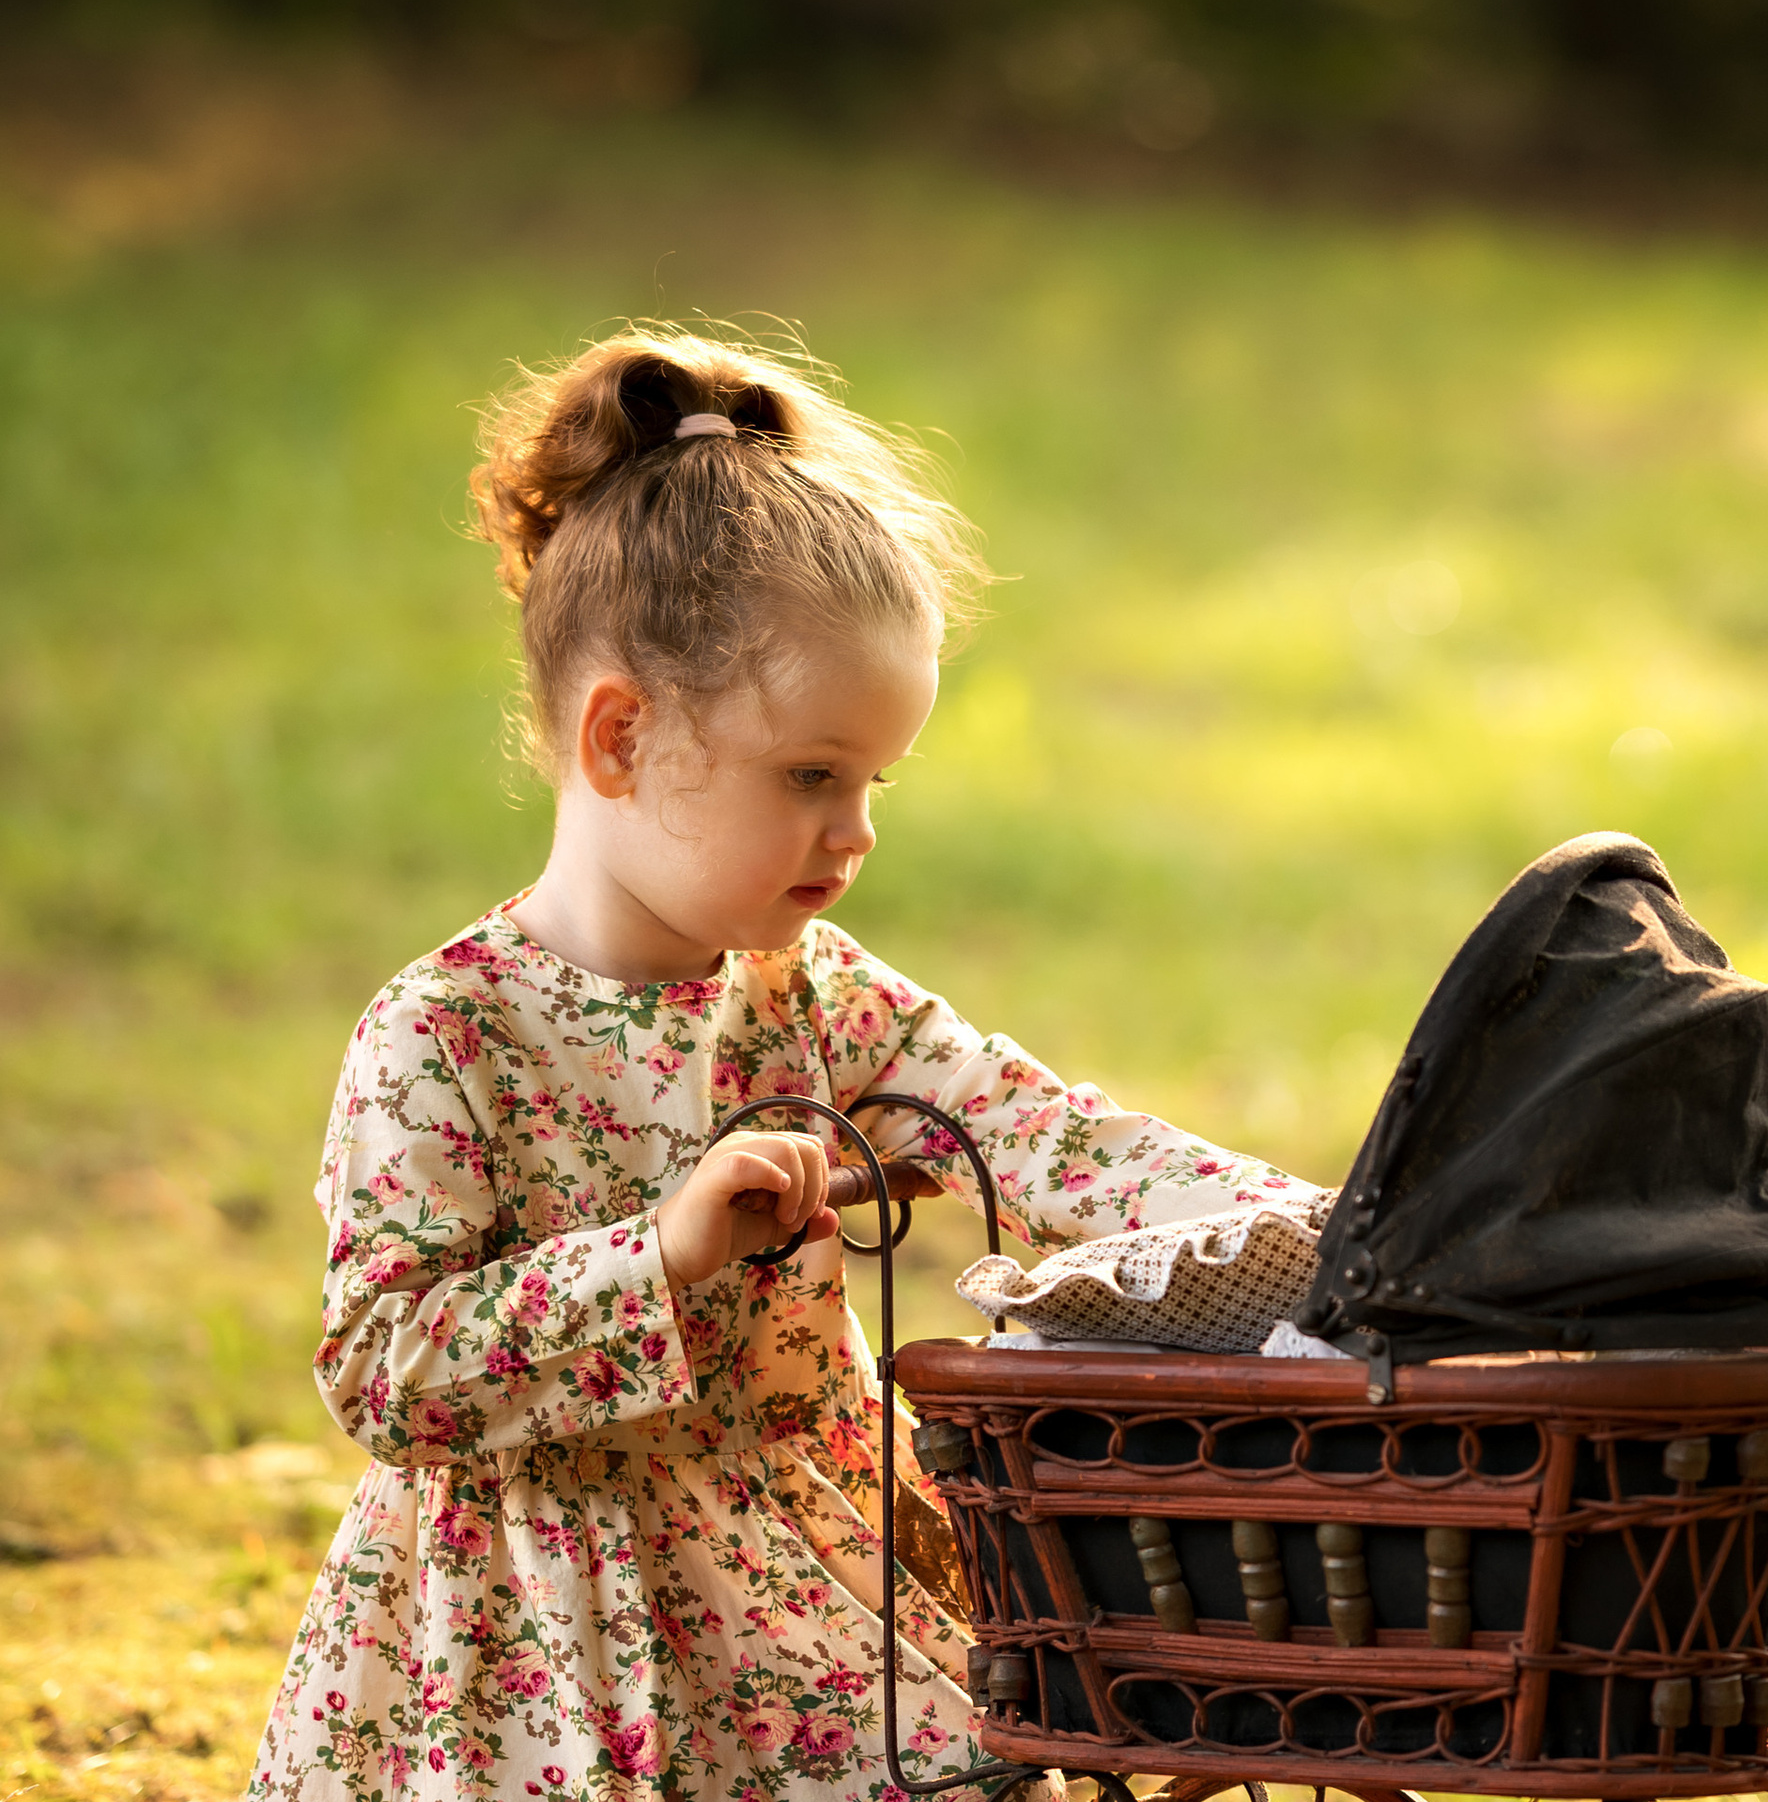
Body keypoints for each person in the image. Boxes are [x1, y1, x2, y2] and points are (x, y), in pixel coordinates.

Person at [249, 326, 1317, 1802]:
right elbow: (386, 1371)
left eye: (874, 782)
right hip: (535, 1635)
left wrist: (1337, 1228)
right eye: (810, 776)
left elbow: (1046, 1138)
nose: (854, 831)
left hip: (804, 1566)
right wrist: (658, 1256)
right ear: (620, 737)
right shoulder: (445, 1034)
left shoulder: (809, 997)